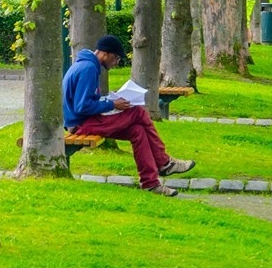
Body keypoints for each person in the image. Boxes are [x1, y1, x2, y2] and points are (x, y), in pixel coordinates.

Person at [63, 34, 195, 196]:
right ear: (105, 54)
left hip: (84, 121)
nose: (117, 62)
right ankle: (164, 162)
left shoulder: (85, 65)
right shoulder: (88, 69)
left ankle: (150, 184)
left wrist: (109, 99)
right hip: (81, 124)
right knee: (138, 112)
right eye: (116, 57)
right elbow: (81, 106)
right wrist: (112, 104)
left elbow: (86, 100)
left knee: (137, 131)